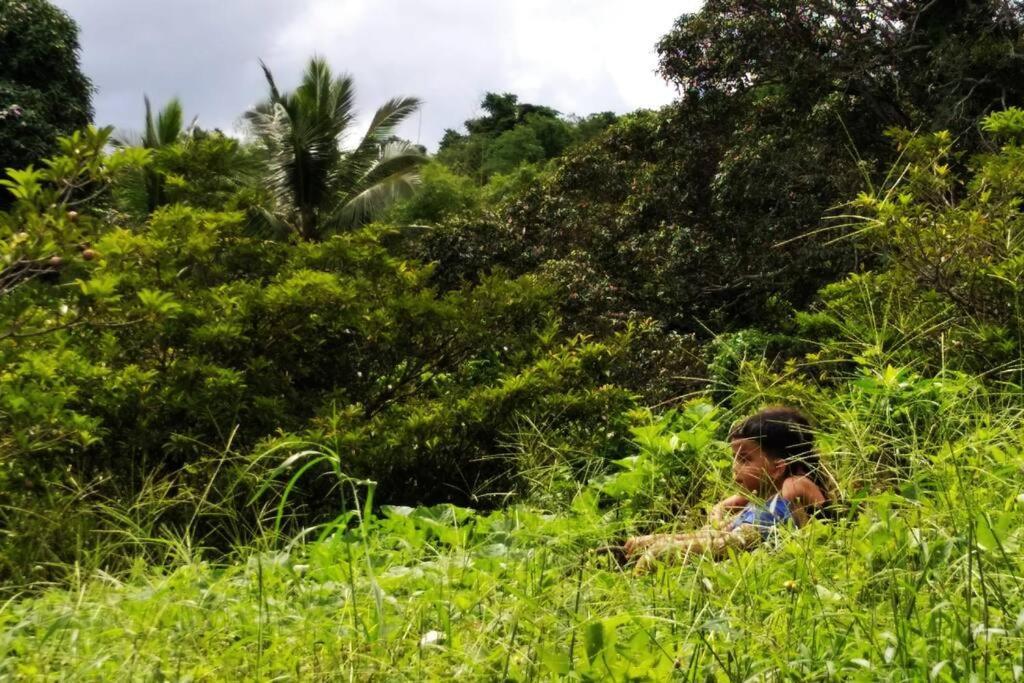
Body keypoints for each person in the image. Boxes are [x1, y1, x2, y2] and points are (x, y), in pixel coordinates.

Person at [622, 406, 830, 572]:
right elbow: (716, 530)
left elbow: (734, 539)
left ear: (778, 467)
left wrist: (662, 546)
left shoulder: (794, 484)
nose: (734, 467)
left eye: (744, 459)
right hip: (739, 540)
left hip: (750, 545)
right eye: (734, 458)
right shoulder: (760, 497)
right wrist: (653, 539)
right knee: (655, 545)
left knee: (660, 553)